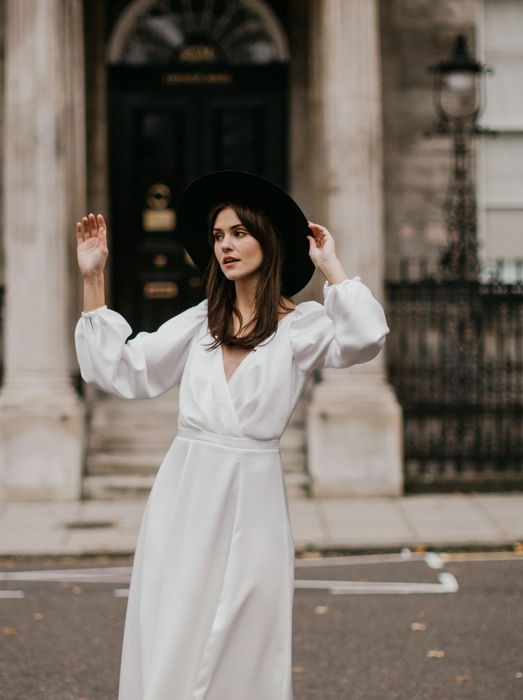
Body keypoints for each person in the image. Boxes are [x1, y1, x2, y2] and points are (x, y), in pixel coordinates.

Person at [74, 170, 390, 700]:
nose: (226, 245)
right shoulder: (201, 321)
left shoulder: (301, 326)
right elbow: (123, 368)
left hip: (255, 498)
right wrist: (92, 278)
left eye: (240, 232)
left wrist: (331, 265)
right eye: (219, 236)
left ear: (268, 240)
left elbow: (364, 338)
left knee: (248, 633)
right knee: (177, 627)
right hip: (186, 492)